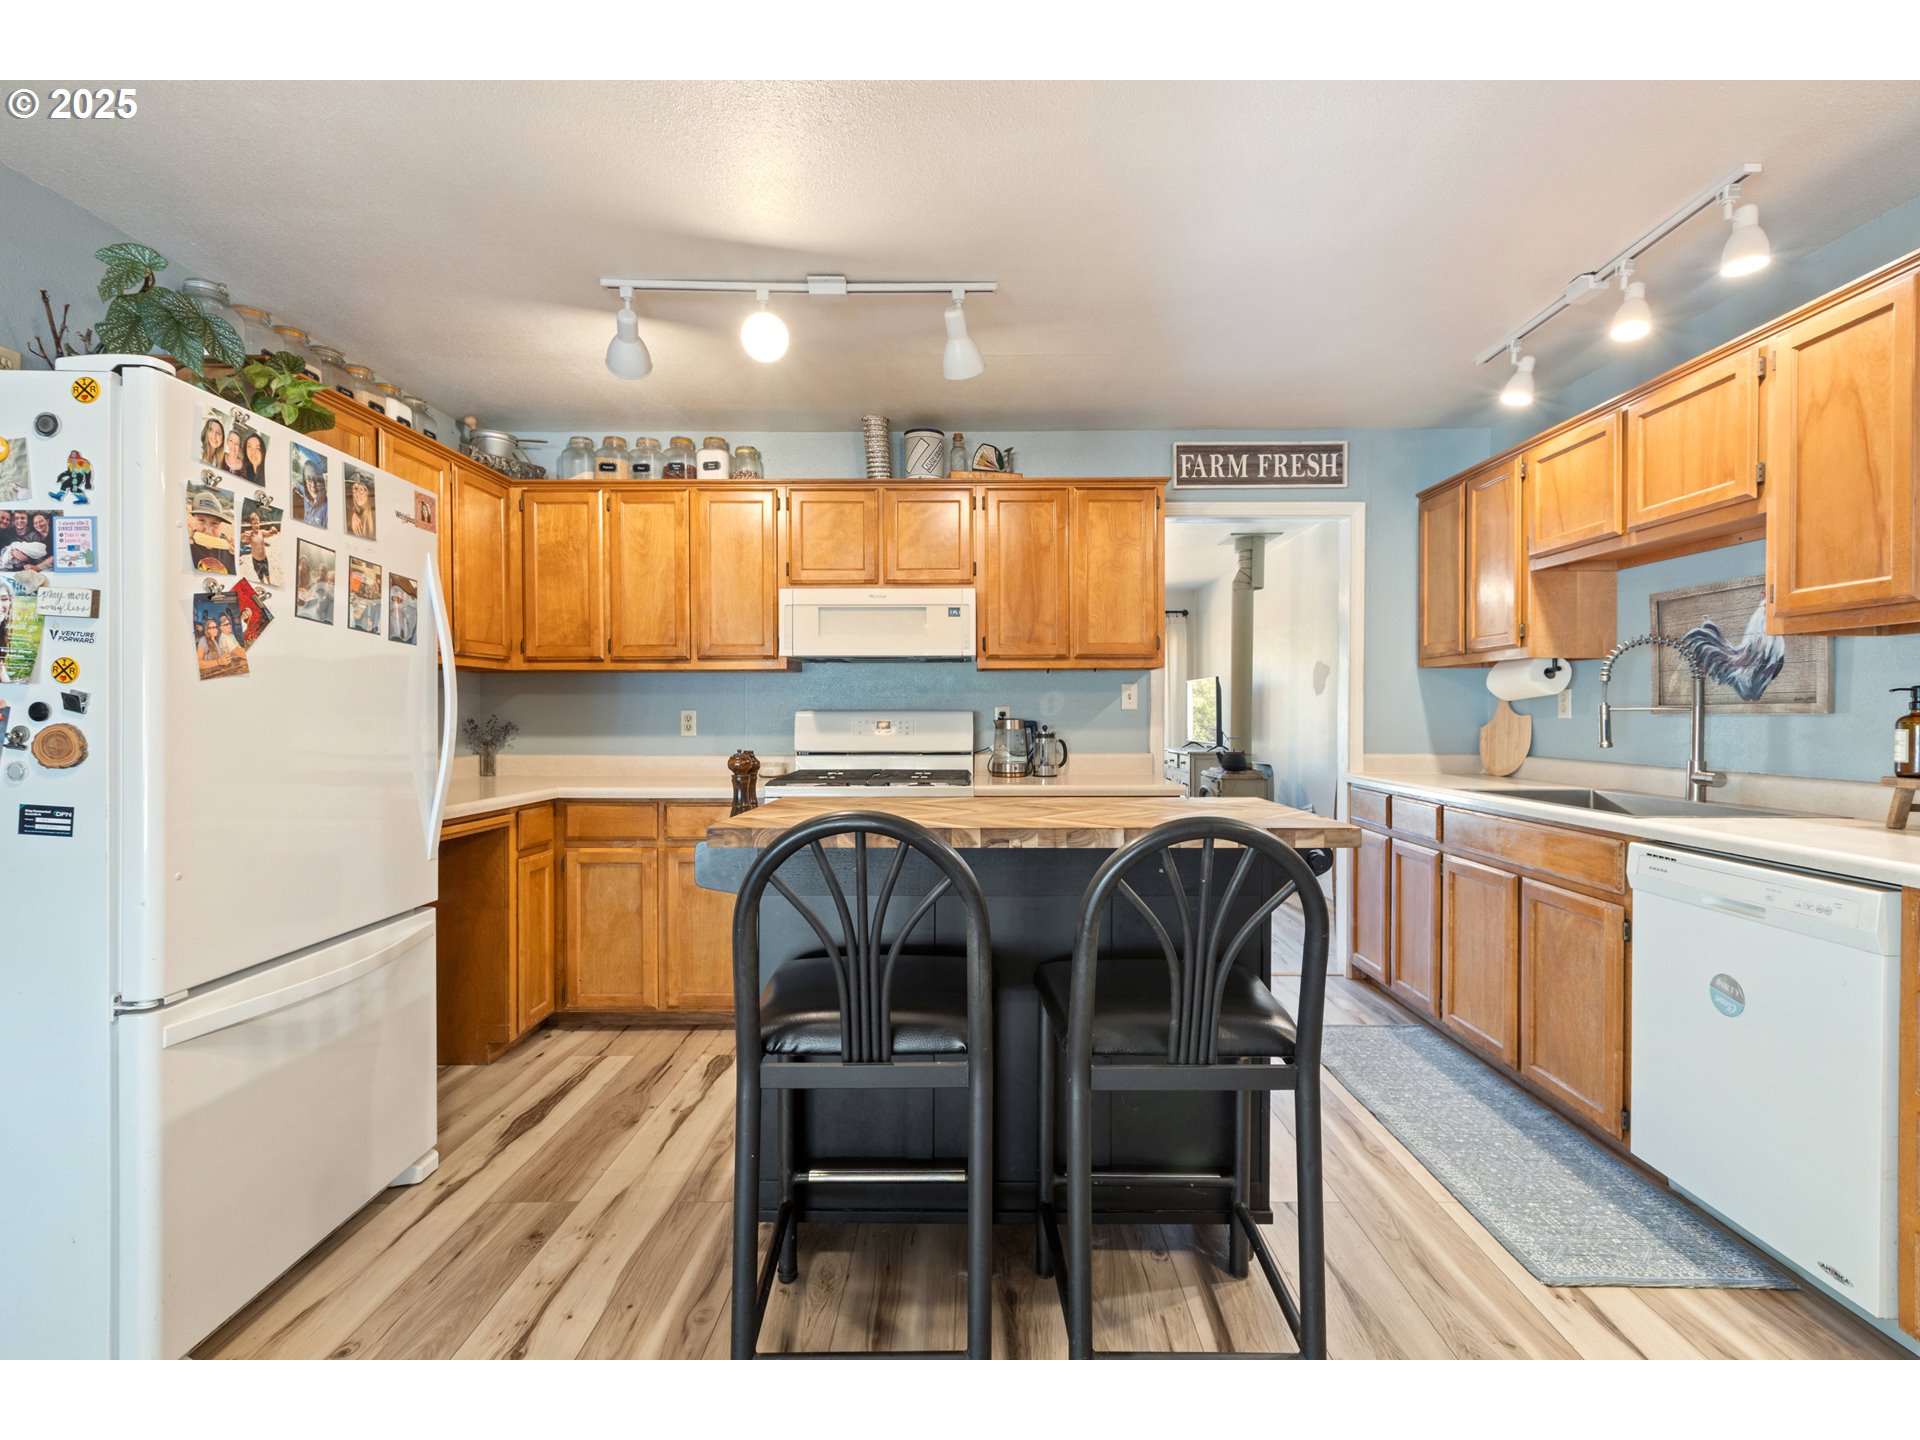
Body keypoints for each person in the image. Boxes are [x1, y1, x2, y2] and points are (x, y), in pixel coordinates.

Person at [188, 492, 235, 575]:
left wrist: (237, 556)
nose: (208, 531)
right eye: (201, 521)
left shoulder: (230, 550)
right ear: (192, 519)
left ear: (221, 525)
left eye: (214, 523)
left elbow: (241, 586)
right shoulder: (187, 543)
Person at [241, 512, 274, 582]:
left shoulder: (261, 532)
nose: (256, 525)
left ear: (259, 523)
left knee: (267, 573)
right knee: (260, 576)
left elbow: (269, 534)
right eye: (254, 523)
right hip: (256, 561)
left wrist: (272, 531)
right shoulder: (250, 535)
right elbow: (242, 540)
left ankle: (269, 582)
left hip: (264, 559)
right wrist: (243, 535)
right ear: (251, 525)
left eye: (257, 523)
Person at [296, 462, 328, 528]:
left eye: (318, 480)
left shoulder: (327, 509)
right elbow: (296, 482)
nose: (313, 485)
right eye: (309, 480)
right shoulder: (307, 498)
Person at [346, 474, 376, 539]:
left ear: (368, 492)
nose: (357, 493)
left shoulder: (375, 516)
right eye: (355, 489)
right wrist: (351, 514)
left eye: (361, 489)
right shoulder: (349, 513)